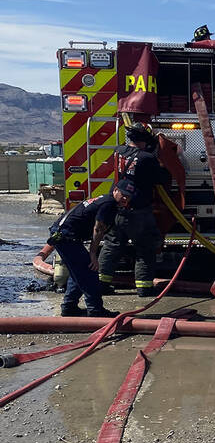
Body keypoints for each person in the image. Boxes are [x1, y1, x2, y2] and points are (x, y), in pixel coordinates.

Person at [48, 178, 137, 316]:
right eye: (123, 194)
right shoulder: (109, 204)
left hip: (63, 234)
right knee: (89, 272)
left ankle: (69, 307)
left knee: (78, 272)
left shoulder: (105, 200)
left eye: (129, 196)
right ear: (115, 190)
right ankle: (95, 310)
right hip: (66, 237)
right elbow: (98, 229)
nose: (125, 198)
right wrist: (93, 254)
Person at [98, 124, 169, 295]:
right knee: (145, 249)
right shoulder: (147, 158)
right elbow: (162, 178)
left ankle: (101, 284)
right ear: (146, 139)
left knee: (112, 246)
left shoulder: (118, 151)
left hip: (117, 209)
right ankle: (144, 288)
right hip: (139, 212)